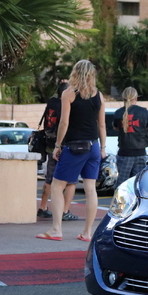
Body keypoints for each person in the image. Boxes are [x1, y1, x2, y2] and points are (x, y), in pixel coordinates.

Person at [37, 60, 106, 242]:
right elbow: (102, 125)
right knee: (91, 189)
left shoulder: (69, 94)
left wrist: (58, 145)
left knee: (57, 186)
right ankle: (87, 232)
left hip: (75, 146)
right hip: (94, 146)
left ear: (75, 73)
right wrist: (103, 147)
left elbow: (64, 122)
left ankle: (56, 229)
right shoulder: (99, 95)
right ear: (92, 74)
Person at [37, 80, 79, 221]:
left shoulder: (51, 102)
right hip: (64, 144)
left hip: (50, 143)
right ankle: (65, 211)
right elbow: (65, 123)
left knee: (50, 178)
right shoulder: (66, 104)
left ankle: (42, 207)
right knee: (70, 181)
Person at [113, 87, 148, 188]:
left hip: (124, 154)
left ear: (123, 98)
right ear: (136, 98)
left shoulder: (118, 113)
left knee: (122, 185)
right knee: (137, 185)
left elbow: (116, 127)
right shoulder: (143, 112)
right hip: (140, 153)